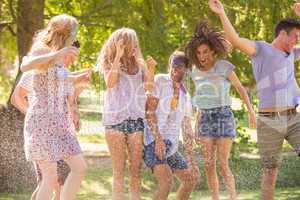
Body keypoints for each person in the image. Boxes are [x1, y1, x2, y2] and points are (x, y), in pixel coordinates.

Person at [209, 1, 300, 199]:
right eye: (295, 37)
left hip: (294, 118)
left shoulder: (292, 53)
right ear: (282, 34)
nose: (296, 41)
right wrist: (222, 13)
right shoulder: (261, 49)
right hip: (269, 121)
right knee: (270, 172)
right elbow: (234, 39)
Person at [19, 14, 88, 200]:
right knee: (49, 178)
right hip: (42, 121)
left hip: (60, 122)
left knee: (80, 168)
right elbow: (25, 66)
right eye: (74, 33)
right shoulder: (42, 48)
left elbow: (58, 80)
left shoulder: (60, 56)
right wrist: (57, 54)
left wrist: (78, 78)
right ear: (65, 33)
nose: (75, 38)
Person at [185, 21, 256, 200]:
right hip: (205, 118)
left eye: (205, 52)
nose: (202, 56)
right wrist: (196, 123)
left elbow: (240, 89)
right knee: (209, 163)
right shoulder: (195, 72)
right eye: (199, 52)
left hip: (223, 116)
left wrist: (250, 111)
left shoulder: (224, 66)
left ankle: (232, 197)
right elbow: (201, 99)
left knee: (223, 163)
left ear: (213, 51)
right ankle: (215, 197)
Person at [97, 27, 155, 200]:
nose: (133, 46)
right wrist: (117, 56)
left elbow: (149, 87)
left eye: (134, 43)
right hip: (115, 121)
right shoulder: (109, 61)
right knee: (119, 170)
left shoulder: (139, 63)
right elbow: (110, 83)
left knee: (136, 169)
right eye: (129, 43)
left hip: (136, 120)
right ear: (118, 44)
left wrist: (146, 66)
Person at [143, 51, 200, 200]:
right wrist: (158, 140)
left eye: (180, 65)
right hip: (153, 142)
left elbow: (186, 128)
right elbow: (150, 112)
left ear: (187, 69)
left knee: (190, 179)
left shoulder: (185, 95)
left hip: (171, 147)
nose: (176, 68)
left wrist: (191, 160)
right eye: (174, 63)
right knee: (166, 182)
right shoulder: (160, 80)